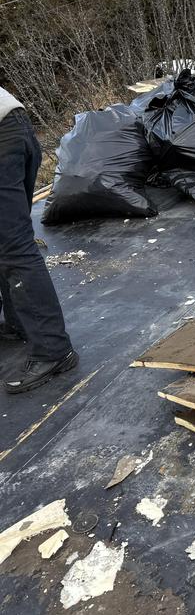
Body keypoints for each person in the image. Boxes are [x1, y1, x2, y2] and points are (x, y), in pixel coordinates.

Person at [0, 86, 78, 394]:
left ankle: (53, 351)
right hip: (15, 124)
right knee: (8, 241)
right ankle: (19, 323)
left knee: (13, 247)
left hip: (3, 138)